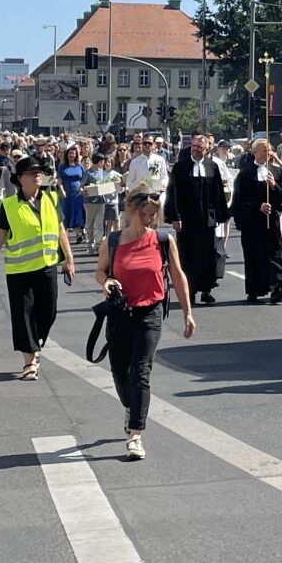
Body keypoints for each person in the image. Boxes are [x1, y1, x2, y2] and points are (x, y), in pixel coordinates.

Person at [96, 185, 196, 459]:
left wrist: (187, 312)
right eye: (145, 214)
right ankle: (131, 407)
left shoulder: (163, 240)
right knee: (119, 371)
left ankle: (135, 434)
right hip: (120, 313)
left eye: (154, 214)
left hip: (150, 313)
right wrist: (107, 282)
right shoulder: (113, 241)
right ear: (131, 211)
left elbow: (177, 276)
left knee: (140, 371)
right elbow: (100, 272)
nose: (150, 219)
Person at [0, 157, 76, 380]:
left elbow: (61, 230)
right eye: (32, 173)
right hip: (20, 270)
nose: (37, 175)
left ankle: (34, 343)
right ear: (20, 179)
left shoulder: (51, 198)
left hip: (47, 265)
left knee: (48, 312)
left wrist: (68, 259)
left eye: (39, 172)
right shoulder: (10, 206)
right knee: (23, 316)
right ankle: (29, 360)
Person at [165, 138, 229, 305]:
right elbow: (173, 193)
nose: (196, 149)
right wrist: (175, 216)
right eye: (193, 146)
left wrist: (221, 215)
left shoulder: (212, 167)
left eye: (199, 147)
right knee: (188, 256)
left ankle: (206, 290)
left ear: (206, 149)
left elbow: (217, 193)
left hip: (207, 220)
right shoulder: (180, 167)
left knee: (207, 255)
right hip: (187, 220)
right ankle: (190, 291)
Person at [234, 138, 282, 303]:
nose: (267, 154)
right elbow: (239, 201)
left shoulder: (275, 171)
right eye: (263, 150)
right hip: (252, 223)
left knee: (276, 253)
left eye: (269, 150)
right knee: (254, 256)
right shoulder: (244, 174)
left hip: (271, 221)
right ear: (254, 152)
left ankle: (278, 287)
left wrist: (274, 186)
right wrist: (257, 206)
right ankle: (254, 290)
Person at [82, 151, 121, 254]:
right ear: (99, 162)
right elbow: (81, 187)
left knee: (99, 224)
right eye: (102, 161)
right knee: (90, 224)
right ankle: (89, 245)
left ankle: (98, 245)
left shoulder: (102, 172)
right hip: (90, 202)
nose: (103, 163)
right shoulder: (88, 173)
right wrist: (84, 192)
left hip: (101, 201)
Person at [57, 145, 87, 246]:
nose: (72, 155)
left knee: (78, 212)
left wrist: (83, 189)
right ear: (67, 154)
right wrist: (62, 191)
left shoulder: (79, 166)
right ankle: (63, 237)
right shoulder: (62, 166)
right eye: (70, 153)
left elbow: (83, 179)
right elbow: (59, 180)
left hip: (78, 193)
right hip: (66, 193)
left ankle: (78, 233)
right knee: (66, 213)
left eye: (73, 153)